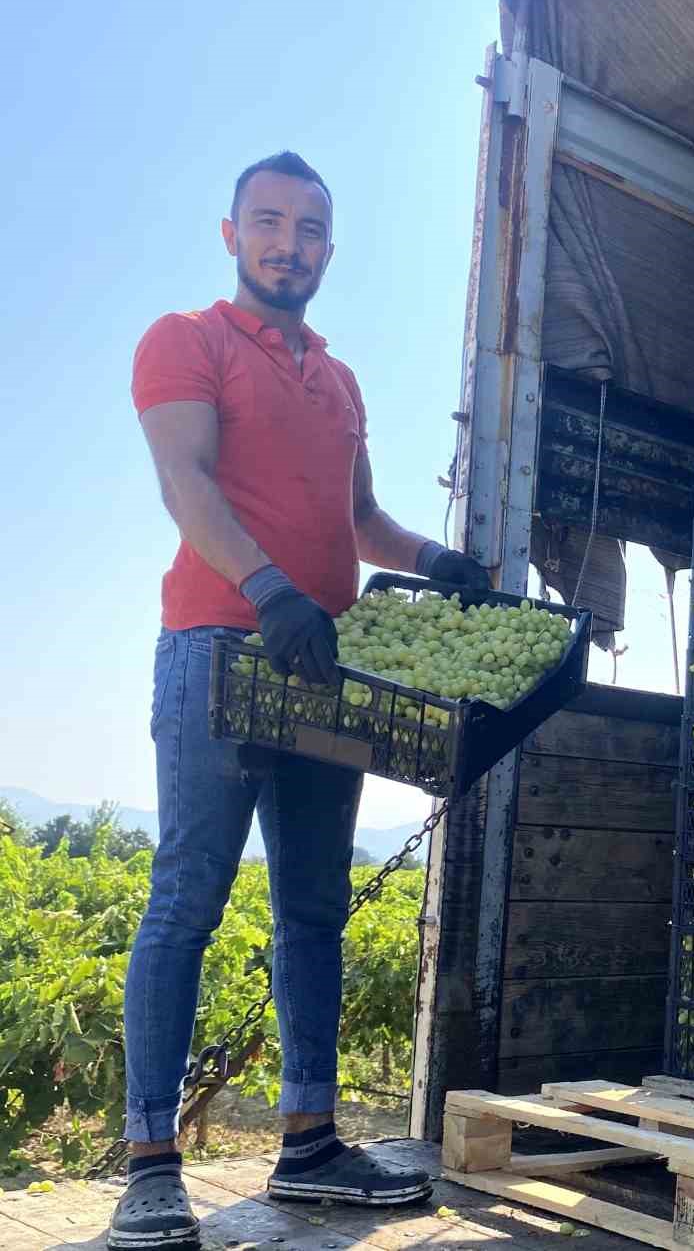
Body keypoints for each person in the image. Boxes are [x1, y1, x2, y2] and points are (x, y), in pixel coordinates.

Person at [114, 151, 491, 1249]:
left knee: (315, 909)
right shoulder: (186, 338)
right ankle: (149, 1162)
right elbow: (185, 481)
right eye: (269, 222)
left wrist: (436, 559)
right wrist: (269, 587)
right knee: (188, 896)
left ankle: (311, 1141)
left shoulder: (340, 379)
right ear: (232, 234)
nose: (289, 244)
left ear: (329, 248)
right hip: (220, 649)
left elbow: (359, 519)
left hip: (327, 665)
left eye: (310, 228)